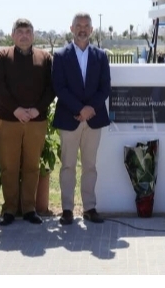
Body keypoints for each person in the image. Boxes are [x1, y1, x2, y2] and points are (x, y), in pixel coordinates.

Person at [0, 18, 56, 225]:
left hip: (36, 121)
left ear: (33, 35)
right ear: (13, 35)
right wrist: (16, 109)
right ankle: (10, 209)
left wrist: (37, 109)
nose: (24, 35)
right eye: (20, 31)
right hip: (9, 120)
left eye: (28, 32)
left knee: (32, 166)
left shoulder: (45, 58)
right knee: (8, 166)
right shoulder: (2, 56)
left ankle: (29, 208)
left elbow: (52, 87)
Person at [53, 13, 112, 225]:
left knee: (90, 166)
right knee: (67, 166)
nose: (82, 29)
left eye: (86, 25)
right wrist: (80, 109)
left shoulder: (101, 56)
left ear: (92, 30)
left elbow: (105, 87)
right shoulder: (60, 56)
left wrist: (89, 109)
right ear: (71, 28)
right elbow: (59, 87)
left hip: (94, 119)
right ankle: (67, 209)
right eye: (78, 25)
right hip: (70, 118)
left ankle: (89, 207)